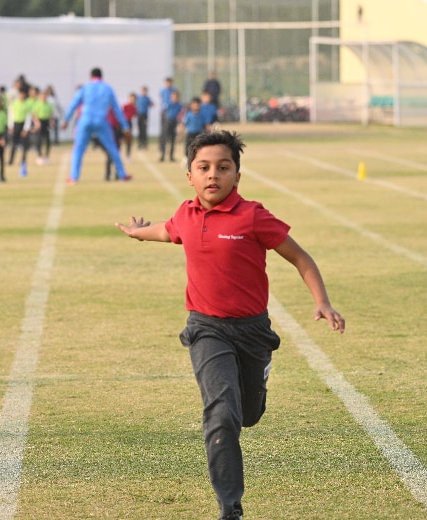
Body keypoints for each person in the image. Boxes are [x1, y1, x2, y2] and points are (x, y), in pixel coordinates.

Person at [115, 130, 344, 520]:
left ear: (237, 176)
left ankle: (259, 380)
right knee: (222, 415)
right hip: (206, 328)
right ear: (190, 175)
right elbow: (168, 230)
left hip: (253, 330)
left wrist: (322, 302)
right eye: (203, 167)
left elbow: (300, 257)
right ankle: (230, 508)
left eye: (223, 167)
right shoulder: (187, 214)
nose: (213, 175)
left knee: (248, 415)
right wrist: (140, 233)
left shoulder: (253, 215)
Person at [60, 67, 132, 185]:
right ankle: (122, 174)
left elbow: (74, 104)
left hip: (85, 120)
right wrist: (125, 126)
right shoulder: (107, 88)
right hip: (101, 121)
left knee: (78, 149)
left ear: (90, 77)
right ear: (102, 77)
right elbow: (116, 109)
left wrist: (66, 120)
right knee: (112, 147)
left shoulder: (85, 88)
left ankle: (73, 177)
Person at [158, 90, 182, 162]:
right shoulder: (168, 103)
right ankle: (162, 155)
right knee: (165, 139)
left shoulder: (179, 105)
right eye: (173, 97)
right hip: (168, 122)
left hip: (174, 122)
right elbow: (163, 110)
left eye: (176, 97)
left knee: (172, 140)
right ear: (171, 97)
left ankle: (171, 156)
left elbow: (181, 114)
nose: (174, 98)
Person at [135, 85, 153, 150]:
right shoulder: (138, 98)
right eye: (142, 90)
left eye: (145, 91)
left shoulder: (148, 98)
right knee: (140, 130)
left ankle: (144, 144)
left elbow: (151, 104)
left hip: (145, 115)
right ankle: (140, 143)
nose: (143, 92)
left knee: (144, 130)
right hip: (139, 115)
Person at [122, 92, 137, 158]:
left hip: (129, 123)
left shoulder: (134, 107)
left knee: (128, 140)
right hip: (123, 123)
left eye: (134, 99)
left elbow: (135, 115)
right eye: (131, 98)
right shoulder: (125, 106)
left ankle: (128, 155)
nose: (132, 100)